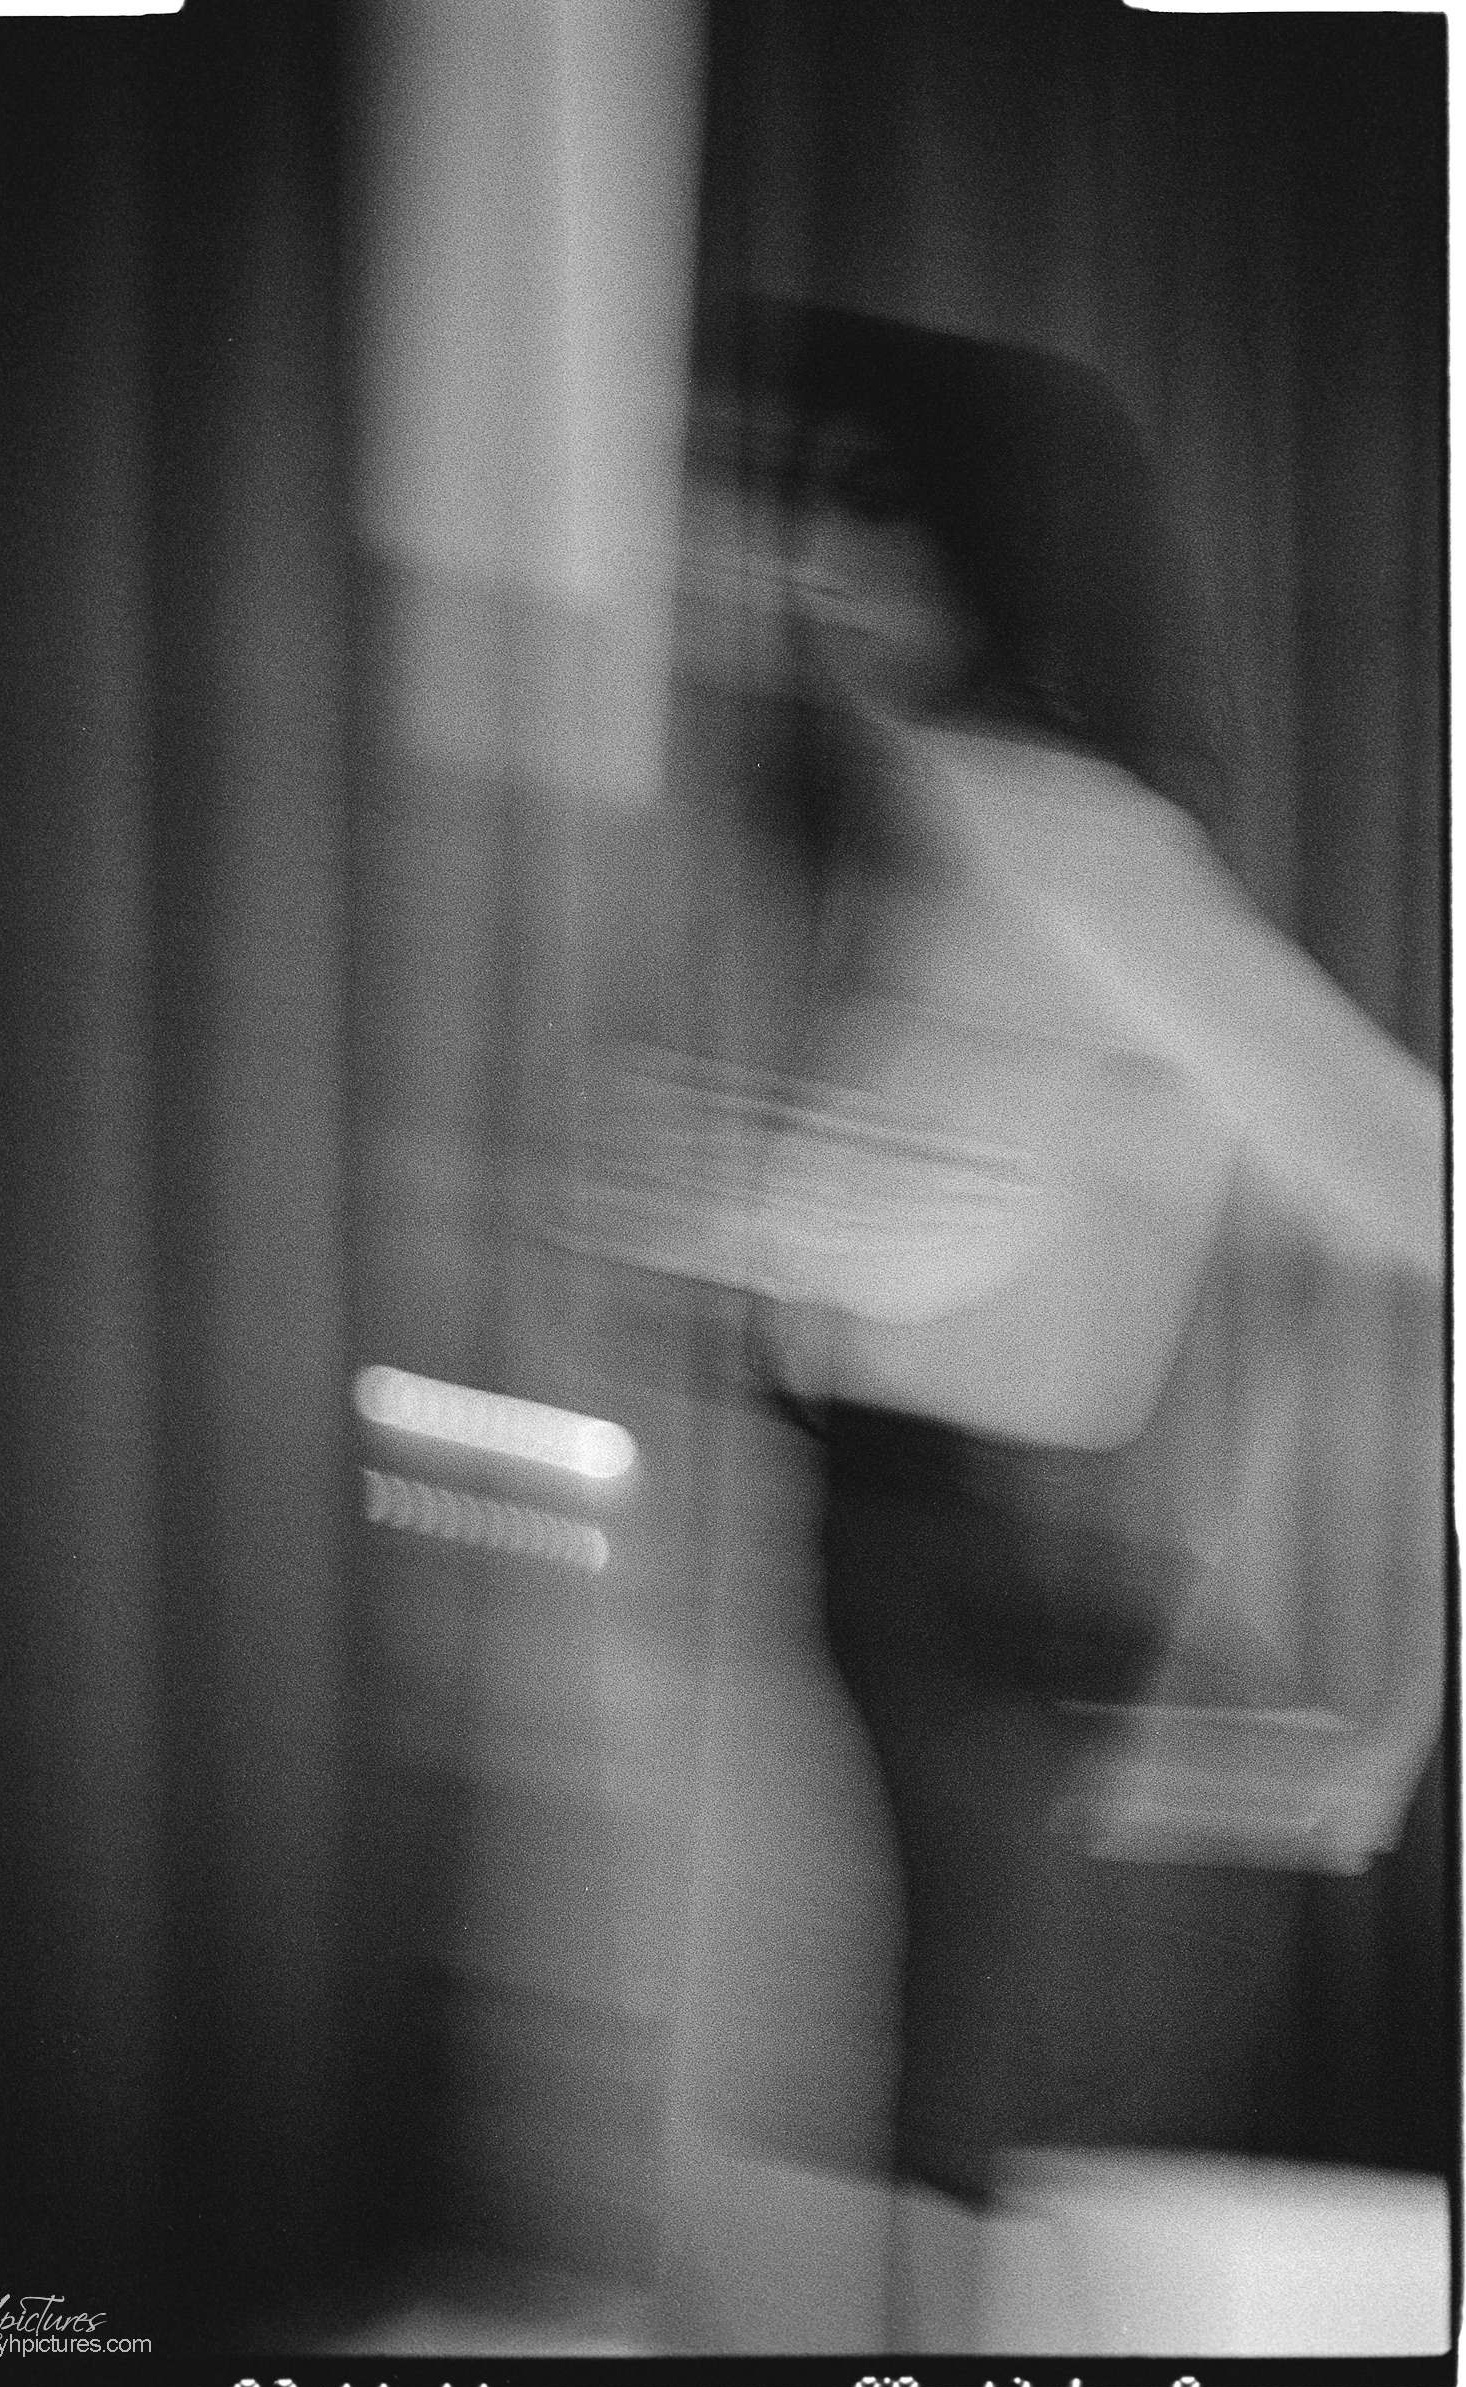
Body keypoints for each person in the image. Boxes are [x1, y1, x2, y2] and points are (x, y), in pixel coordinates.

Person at [731, 309, 1443, 2239]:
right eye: (801, 504)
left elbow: (1390, 1161)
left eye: (871, 506)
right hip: (885, 1518)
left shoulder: (1042, 824)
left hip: (951, 1524)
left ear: (985, 539)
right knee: (903, 2084)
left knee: (928, 2093)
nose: (813, 562)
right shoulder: (917, 814)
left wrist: (772, 1213)